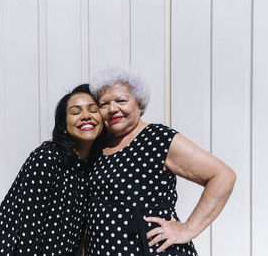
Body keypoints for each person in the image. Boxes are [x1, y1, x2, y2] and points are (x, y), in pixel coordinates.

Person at [86, 66, 236, 256]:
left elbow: (223, 176)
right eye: (104, 104)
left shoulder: (157, 138)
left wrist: (188, 229)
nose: (113, 109)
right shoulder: (99, 145)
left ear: (139, 104)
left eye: (121, 101)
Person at [0, 84, 103, 256]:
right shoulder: (47, 158)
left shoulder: (90, 167)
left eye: (93, 110)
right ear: (64, 125)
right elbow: (29, 226)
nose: (86, 116)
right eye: (75, 112)